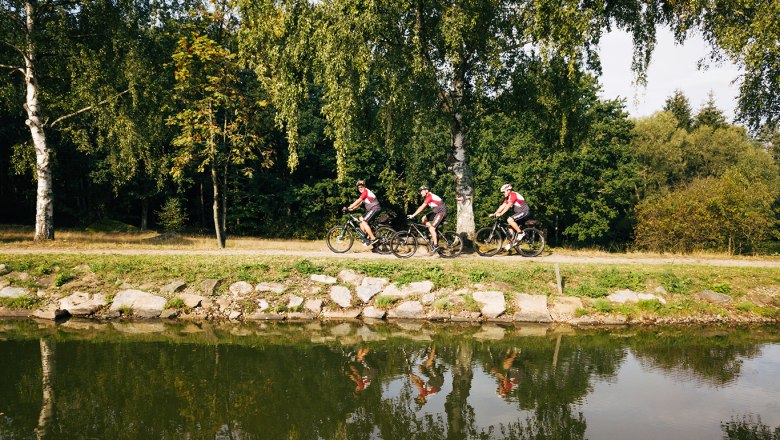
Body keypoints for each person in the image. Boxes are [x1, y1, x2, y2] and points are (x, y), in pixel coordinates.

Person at [407, 185, 447, 255]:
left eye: (421, 191)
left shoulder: (429, 196)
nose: (420, 193)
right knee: (423, 219)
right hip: (436, 212)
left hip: (441, 212)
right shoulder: (427, 197)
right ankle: (432, 231)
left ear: (426, 190)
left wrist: (413, 215)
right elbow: (422, 208)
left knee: (432, 228)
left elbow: (422, 207)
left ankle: (435, 246)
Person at [489, 183, 530, 250]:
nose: (503, 194)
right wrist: (495, 213)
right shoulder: (508, 197)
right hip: (519, 212)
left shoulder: (513, 194)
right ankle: (513, 242)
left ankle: (521, 233)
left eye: (503, 192)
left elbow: (508, 206)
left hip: (524, 211)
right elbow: (503, 206)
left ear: (508, 190)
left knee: (509, 220)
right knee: (509, 226)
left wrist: (501, 214)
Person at [346, 180, 381, 245]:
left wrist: (349, 207)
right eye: (359, 188)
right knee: (361, 218)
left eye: (361, 187)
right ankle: (367, 238)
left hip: (375, 208)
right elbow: (359, 203)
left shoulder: (366, 192)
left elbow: (358, 200)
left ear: (364, 186)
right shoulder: (364, 194)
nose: (360, 188)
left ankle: (373, 238)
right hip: (371, 209)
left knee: (364, 222)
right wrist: (352, 208)